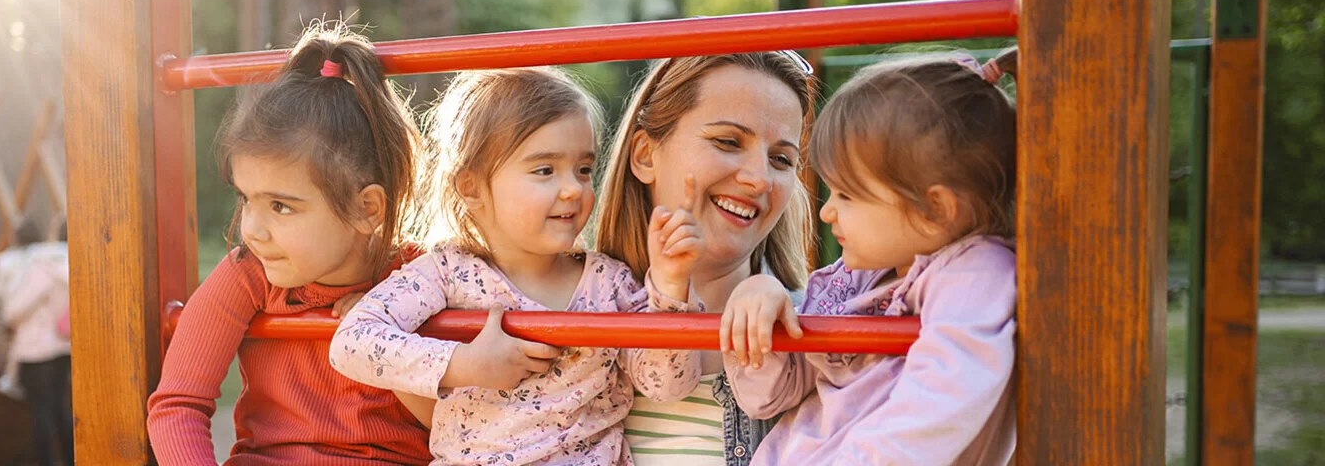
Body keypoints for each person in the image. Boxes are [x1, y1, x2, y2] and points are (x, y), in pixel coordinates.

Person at [330, 67, 703, 465]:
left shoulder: (609, 283)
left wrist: (670, 285)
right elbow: (351, 343)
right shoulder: (447, 271)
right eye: (545, 170)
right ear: (471, 187)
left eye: (583, 170)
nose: (573, 189)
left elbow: (667, 385)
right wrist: (464, 365)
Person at [145, 23, 433, 465]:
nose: (252, 230)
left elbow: (458, 424)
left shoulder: (422, 279)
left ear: (368, 209)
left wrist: (379, 343)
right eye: (246, 199)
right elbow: (177, 405)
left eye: (281, 206)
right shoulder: (250, 273)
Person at [721, 49, 1021, 465]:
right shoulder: (858, 279)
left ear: (935, 210)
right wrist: (757, 308)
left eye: (847, 194)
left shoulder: (975, 274)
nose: (827, 212)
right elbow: (769, 396)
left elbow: (945, 397)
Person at [592, 52, 817, 466]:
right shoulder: (567, 313)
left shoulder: (816, 332)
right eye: (729, 142)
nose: (760, 178)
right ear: (644, 155)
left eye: (781, 159)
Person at [0, 218, 72, 466]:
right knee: (61, 409)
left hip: (36, 350)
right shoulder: (71, 265)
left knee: (41, 412)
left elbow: (13, 312)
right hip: (63, 346)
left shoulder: (43, 266)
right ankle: (73, 460)